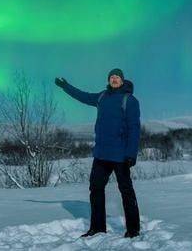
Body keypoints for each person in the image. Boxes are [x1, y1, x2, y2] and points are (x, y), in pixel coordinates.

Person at [55, 68, 141, 238]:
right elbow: (83, 96)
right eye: (112, 77)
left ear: (122, 80)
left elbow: (134, 128)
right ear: (108, 80)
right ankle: (97, 227)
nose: (114, 79)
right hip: (101, 153)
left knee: (126, 191)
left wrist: (131, 153)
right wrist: (66, 86)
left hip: (120, 154)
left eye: (117, 77)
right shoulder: (102, 97)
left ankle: (133, 230)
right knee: (95, 189)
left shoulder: (129, 100)